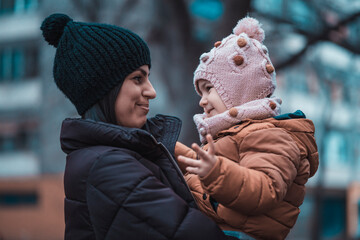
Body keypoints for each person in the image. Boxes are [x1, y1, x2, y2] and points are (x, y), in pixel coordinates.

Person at [41, 13, 228, 240]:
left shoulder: (112, 157)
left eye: (147, 77)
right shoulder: (109, 167)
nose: (151, 91)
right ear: (103, 88)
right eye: (138, 79)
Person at [176, 17, 319, 240]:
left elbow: (264, 188)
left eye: (209, 89)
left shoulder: (270, 135)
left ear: (238, 89)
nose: (202, 101)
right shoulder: (237, 133)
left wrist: (214, 172)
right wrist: (172, 149)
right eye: (200, 93)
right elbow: (219, 169)